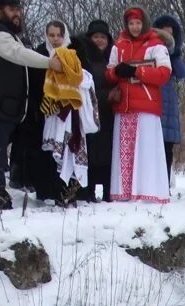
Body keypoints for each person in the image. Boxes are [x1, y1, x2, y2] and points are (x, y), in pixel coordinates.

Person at [0, 0, 63, 209]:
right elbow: (17, 53)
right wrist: (49, 62)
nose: (17, 13)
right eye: (11, 9)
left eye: (18, 9)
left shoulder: (6, 31)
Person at [105, 8, 170, 203]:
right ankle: (124, 191)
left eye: (138, 23)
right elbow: (108, 74)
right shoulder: (119, 45)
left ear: (144, 24)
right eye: (131, 23)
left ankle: (148, 191)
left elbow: (164, 74)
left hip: (146, 106)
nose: (134, 27)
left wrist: (137, 72)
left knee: (146, 150)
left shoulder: (156, 45)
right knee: (125, 151)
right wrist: (117, 72)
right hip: (124, 105)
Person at [8, 18, 68, 204]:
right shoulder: (40, 54)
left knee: (64, 152)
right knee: (43, 153)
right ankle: (44, 191)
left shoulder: (72, 54)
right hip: (43, 111)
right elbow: (32, 84)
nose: (55, 39)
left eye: (59, 35)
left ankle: (65, 191)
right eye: (51, 35)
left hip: (66, 111)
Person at [79, 18, 113, 202]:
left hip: (110, 115)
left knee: (109, 155)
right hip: (90, 114)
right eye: (96, 36)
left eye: (103, 37)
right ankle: (88, 191)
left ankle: (109, 192)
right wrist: (106, 95)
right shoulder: (84, 59)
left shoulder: (113, 58)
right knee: (91, 154)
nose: (99, 40)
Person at [150, 13, 185, 183]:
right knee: (150, 145)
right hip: (151, 98)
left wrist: (174, 52)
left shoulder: (175, 55)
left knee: (167, 146)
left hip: (169, 102)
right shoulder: (149, 52)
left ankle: (164, 182)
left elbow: (182, 73)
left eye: (169, 33)